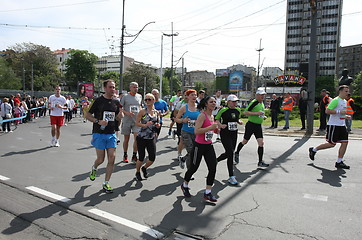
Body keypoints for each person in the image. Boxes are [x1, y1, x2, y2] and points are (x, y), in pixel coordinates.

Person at [86, 80, 123, 193]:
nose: (113, 89)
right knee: (101, 159)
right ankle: (94, 168)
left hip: (111, 134)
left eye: (114, 87)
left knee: (112, 158)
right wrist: (98, 121)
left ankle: (106, 183)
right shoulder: (98, 101)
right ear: (105, 88)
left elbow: (117, 118)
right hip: (99, 133)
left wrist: (120, 116)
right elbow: (87, 115)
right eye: (111, 87)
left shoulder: (116, 102)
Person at [180, 96, 219, 202]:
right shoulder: (202, 115)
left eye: (215, 102)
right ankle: (185, 185)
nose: (213, 103)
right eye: (211, 102)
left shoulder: (211, 116)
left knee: (213, 167)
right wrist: (210, 128)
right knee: (193, 168)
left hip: (209, 145)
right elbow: (197, 131)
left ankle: (208, 192)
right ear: (206, 104)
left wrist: (216, 130)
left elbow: (210, 130)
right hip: (199, 146)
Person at [309, 85, 351, 169]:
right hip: (334, 125)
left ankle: (339, 161)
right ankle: (313, 150)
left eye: (348, 91)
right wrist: (340, 111)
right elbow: (327, 111)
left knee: (345, 142)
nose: (347, 93)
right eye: (346, 91)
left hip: (342, 125)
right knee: (332, 144)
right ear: (340, 91)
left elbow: (340, 114)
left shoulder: (344, 101)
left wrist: (345, 116)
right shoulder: (336, 100)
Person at [234, 89, 269, 168]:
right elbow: (245, 112)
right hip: (251, 125)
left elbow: (260, 113)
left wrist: (263, 116)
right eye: (261, 95)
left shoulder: (261, 103)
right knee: (245, 141)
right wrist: (257, 113)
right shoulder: (254, 102)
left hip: (258, 126)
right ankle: (237, 152)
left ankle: (260, 162)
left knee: (261, 143)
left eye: (263, 95)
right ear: (257, 95)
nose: (262, 96)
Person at [215, 94, 243, 185]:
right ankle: (231, 176)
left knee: (229, 152)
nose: (235, 103)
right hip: (225, 133)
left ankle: (216, 160)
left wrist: (239, 121)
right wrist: (220, 125)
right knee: (230, 153)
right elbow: (217, 119)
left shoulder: (238, 110)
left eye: (236, 101)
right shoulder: (223, 110)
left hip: (234, 133)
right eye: (233, 101)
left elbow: (237, 118)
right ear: (228, 102)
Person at [134, 93, 161, 181]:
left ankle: (144, 168)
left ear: (153, 101)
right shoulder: (143, 111)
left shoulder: (156, 112)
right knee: (141, 157)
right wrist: (145, 125)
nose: (147, 101)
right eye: (146, 100)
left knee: (152, 158)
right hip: (142, 137)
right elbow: (137, 123)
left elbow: (157, 123)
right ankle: (137, 172)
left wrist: (157, 125)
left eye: (149, 99)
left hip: (151, 137)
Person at [175, 89, 200, 169]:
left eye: (195, 95)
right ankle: (190, 171)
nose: (194, 96)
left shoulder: (199, 107)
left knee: (195, 151)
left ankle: (183, 159)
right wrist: (183, 120)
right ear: (188, 97)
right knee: (191, 150)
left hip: (196, 132)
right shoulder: (184, 108)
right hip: (186, 132)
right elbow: (177, 119)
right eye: (192, 95)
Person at [121, 82, 142, 163]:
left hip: (136, 120)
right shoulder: (125, 97)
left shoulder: (139, 96)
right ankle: (125, 155)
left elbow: (140, 106)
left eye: (137, 87)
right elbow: (120, 108)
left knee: (137, 138)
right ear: (130, 88)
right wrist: (127, 113)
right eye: (134, 87)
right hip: (127, 120)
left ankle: (134, 155)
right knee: (126, 139)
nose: (136, 88)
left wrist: (141, 112)